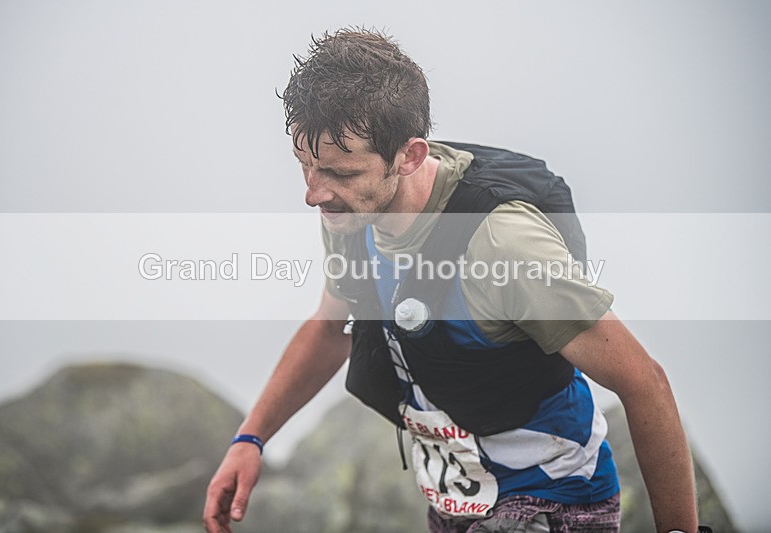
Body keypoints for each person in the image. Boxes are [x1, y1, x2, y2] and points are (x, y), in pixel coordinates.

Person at [203, 28, 699, 533]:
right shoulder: (351, 212)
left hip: (551, 497)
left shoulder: (501, 243)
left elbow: (645, 382)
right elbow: (331, 327)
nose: (314, 193)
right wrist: (250, 439)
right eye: (305, 166)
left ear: (411, 156)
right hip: (456, 500)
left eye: (340, 173)